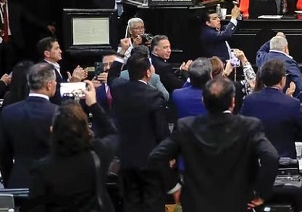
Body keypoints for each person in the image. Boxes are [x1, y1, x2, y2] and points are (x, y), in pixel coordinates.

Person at [149, 78, 279, 212]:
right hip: (237, 203)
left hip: (196, 205)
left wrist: (174, 187)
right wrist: (262, 193)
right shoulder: (250, 126)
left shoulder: (186, 126)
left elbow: (157, 156)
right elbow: (271, 157)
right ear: (233, 102)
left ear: (203, 101)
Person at [28, 81, 118, 212]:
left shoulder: (41, 169)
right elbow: (112, 134)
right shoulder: (98, 154)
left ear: (53, 130)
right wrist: (93, 104)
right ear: (86, 130)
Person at [111, 54, 170, 211]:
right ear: (148, 72)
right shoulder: (154, 95)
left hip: (126, 159)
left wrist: (121, 53)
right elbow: (161, 131)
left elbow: (112, 76)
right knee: (153, 204)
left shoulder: (118, 89)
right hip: (150, 161)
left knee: (131, 203)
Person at [0, 63, 59, 188]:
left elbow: (4, 153)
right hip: (52, 181)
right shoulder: (59, 112)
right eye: (55, 81)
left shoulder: (8, 112)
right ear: (49, 85)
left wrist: (9, 180)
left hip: (19, 179)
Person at [240, 59, 302, 158]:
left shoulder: (249, 100)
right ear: (282, 80)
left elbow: (242, 131)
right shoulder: (292, 103)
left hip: (256, 161)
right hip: (285, 163)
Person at [0, 0, 55, 73]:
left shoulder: (15, 7)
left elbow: (30, 19)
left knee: (10, 68)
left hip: (11, 41)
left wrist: (45, 26)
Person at [255, 33, 302, 102]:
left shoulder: (262, 58)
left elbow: (261, 50)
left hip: (263, 98)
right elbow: (298, 85)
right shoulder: (289, 63)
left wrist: (275, 38)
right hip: (283, 100)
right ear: (286, 48)